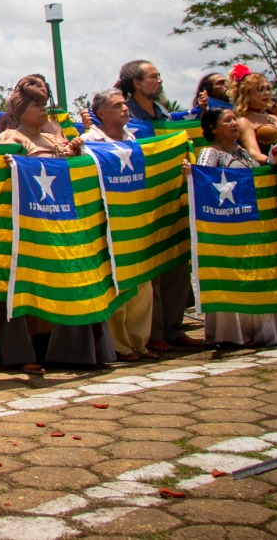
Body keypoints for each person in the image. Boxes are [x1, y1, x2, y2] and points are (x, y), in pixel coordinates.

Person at [0, 77, 116, 372]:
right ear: (21, 109)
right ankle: (20, 355)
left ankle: (67, 350)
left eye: (44, 104)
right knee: (24, 285)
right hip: (27, 224)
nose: (43, 110)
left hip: (62, 222)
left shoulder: (53, 136)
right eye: (36, 105)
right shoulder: (11, 137)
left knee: (63, 280)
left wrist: (74, 155)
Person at [118, 60, 201, 355]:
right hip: (143, 202)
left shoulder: (165, 115)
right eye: (153, 77)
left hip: (172, 198)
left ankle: (174, 329)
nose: (160, 81)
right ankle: (154, 332)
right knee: (151, 271)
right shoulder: (127, 118)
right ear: (137, 84)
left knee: (177, 265)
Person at [195, 106, 277, 348]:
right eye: (227, 121)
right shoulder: (210, 153)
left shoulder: (244, 153)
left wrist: (274, 160)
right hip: (226, 227)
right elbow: (203, 181)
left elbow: (258, 177)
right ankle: (233, 332)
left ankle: (262, 327)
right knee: (234, 273)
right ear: (212, 128)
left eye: (234, 120)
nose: (234, 124)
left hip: (251, 223)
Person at [80, 88, 155, 362]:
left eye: (125, 104)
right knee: (114, 285)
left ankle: (140, 343)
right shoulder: (87, 143)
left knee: (141, 287)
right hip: (107, 225)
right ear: (101, 113)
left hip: (135, 223)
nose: (125, 109)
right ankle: (120, 346)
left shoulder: (136, 141)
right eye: (117, 105)